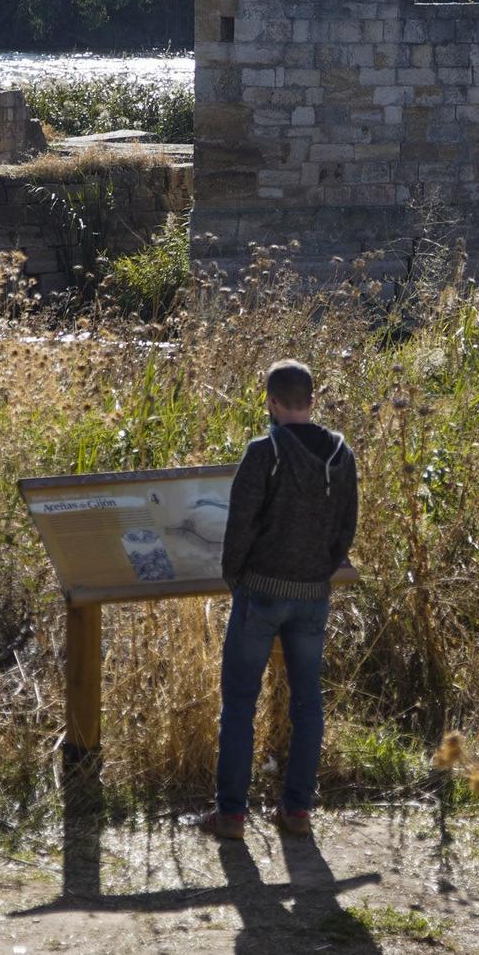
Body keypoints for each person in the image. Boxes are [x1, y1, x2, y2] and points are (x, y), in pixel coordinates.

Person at [198, 359, 359, 841]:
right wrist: (321, 570)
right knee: (309, 704)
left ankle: (231, 815)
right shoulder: (339, 453)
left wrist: (237, 579)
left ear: (271, 402)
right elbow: (346, 526)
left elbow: (239, 526)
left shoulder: (262, 451)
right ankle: (296, 811)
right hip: (313, 596)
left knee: (240, 704)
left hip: (260, 592)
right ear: (312, 400)